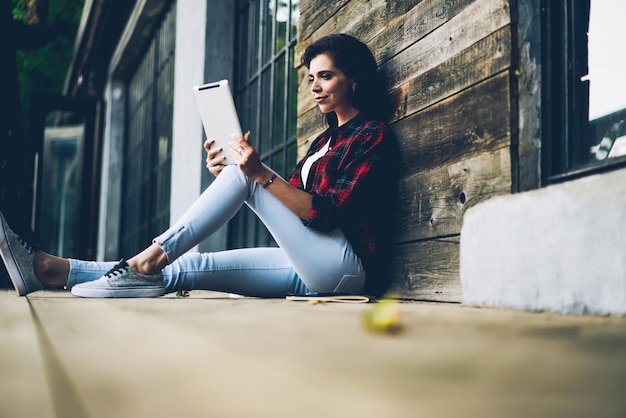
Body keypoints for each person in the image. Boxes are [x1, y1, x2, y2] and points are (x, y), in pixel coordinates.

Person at [0, 33, 398, 299]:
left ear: (354, 79)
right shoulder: (323, 142)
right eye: (311, 77)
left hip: (348, 272)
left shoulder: (371, 135)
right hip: (309, 267)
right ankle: (53, 270)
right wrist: (236, 171)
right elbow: (289, 206)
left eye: (325, 76)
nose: (314, 87)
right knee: (191, 265)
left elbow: (321, 214)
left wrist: (254, 175)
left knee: (245, 177)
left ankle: (148, 259)